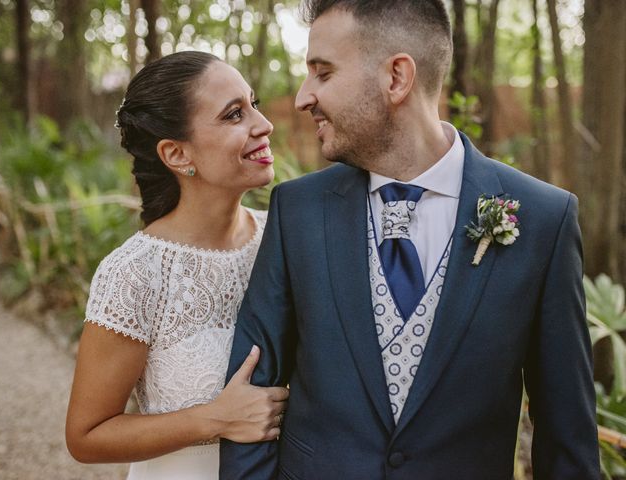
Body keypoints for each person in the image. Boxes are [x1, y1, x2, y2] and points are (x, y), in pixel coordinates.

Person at [220, 0, 599, 478]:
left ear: (396, 77)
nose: (302, 97)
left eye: (323, 73)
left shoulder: (545, 218)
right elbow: (251, 391)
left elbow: (567, 435)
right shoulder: (298, 210)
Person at [65, 51, 289, 480]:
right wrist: (216, 419)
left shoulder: (284, 237)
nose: (263, 125)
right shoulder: (134, 273)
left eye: (253, 104)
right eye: (234, 115)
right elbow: (87, 435)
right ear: (176, 153)